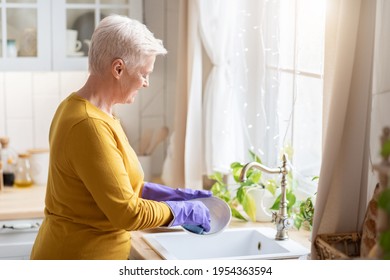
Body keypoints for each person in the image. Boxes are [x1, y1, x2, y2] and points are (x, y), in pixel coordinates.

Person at [30, 14, 211, 260]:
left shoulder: (83, 108)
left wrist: (169, 194)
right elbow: (128, 213)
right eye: (144, 73)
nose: (146, 82)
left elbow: (112, 187)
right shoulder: (90, 125)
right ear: (118, 68)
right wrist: (180, 211)